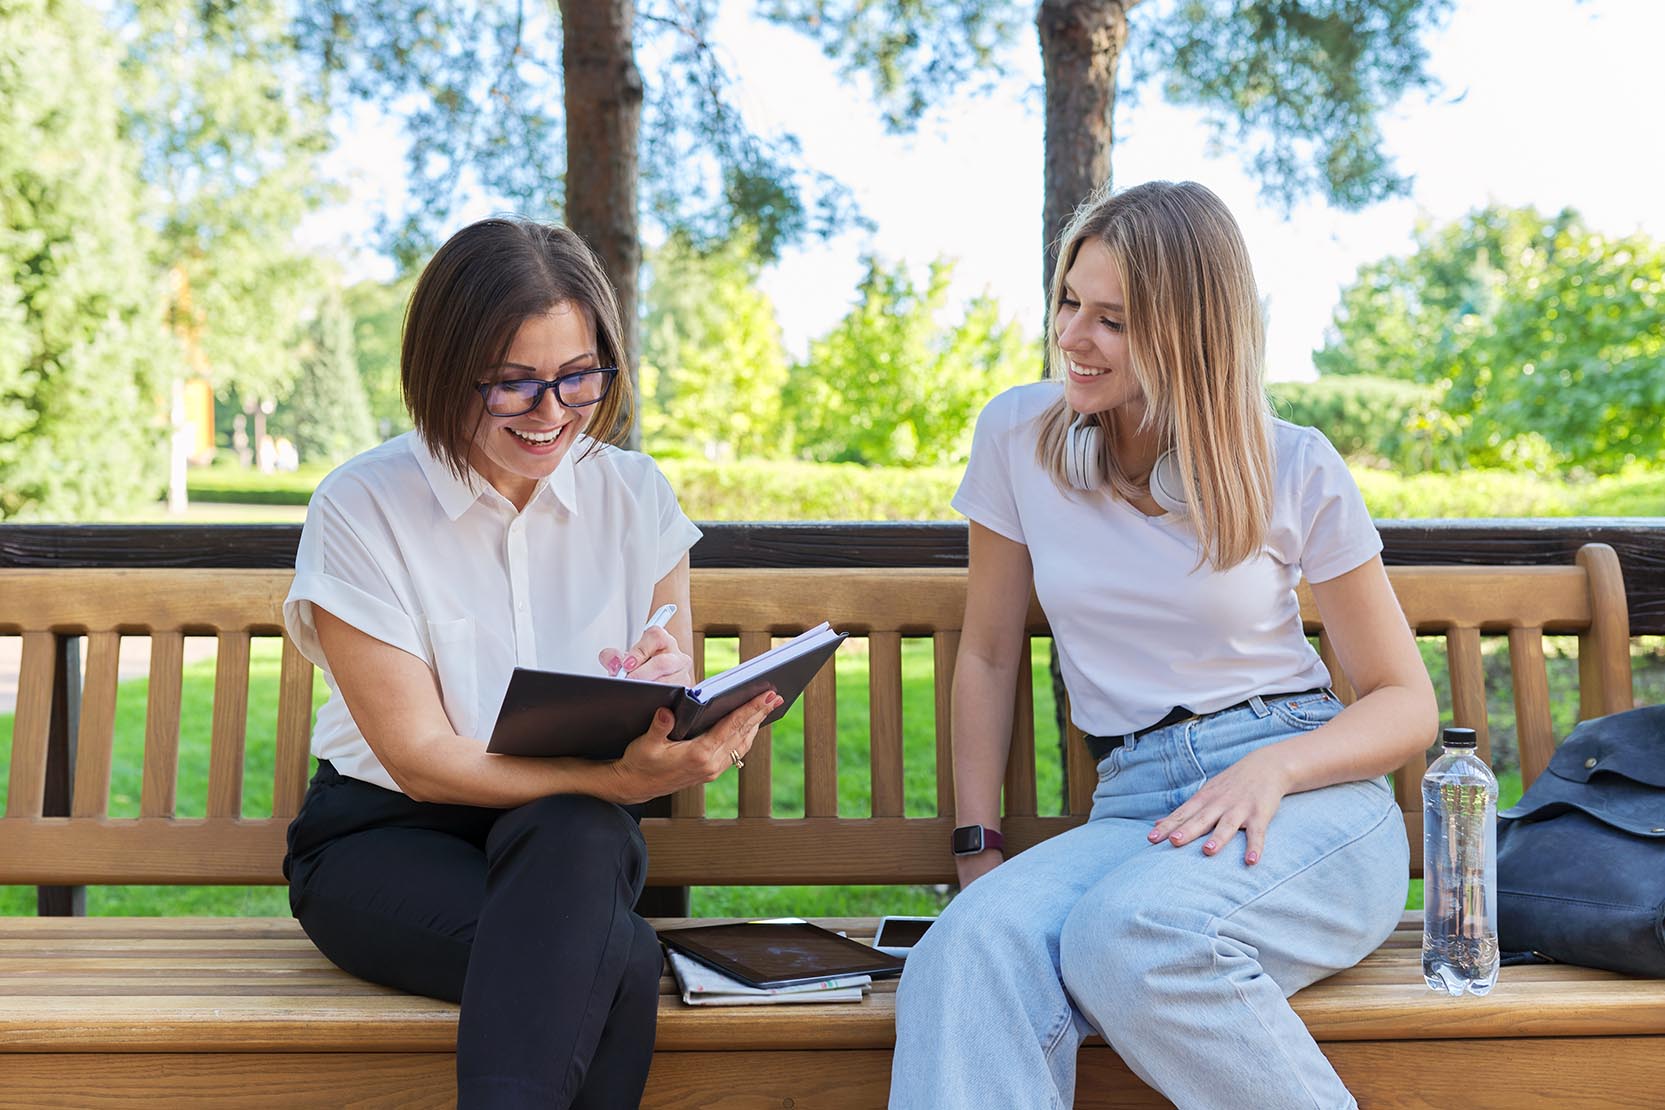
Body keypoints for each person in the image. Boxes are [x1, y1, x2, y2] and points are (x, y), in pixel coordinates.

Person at [889, 181, 1438, 1110]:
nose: (1071, 335)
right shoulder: (1018, 437)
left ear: (1187, 331)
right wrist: (977, 850)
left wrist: (1272, 771)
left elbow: (1403, 704)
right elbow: (985, 655)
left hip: (1305, 799)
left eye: (1110, 319)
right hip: (1136, 807)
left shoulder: (1291, 463)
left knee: (1135, 937)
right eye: (1069, 301)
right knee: (966, 948)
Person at [280, 217, 780, 1109]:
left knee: (577, 840)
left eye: (578, 377)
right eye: (514, 384)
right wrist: (620, 785)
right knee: (616, 954)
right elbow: (418, 758)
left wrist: (673, 702)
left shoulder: (634, 496)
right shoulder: (363, 505)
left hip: (572, 843)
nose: (553, 414)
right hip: (386, 841)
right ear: (442, 371)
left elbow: (671, 682)